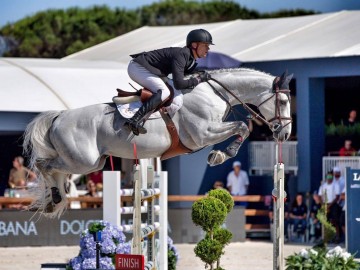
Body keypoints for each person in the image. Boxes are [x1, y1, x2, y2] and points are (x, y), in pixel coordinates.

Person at [124, 29, 214, 135]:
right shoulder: (182, 54)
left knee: (178, 98)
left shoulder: (190, 59)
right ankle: (133, 120)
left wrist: (199, 75)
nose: (208, 48)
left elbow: (182, 78)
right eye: (205, 45)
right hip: (138, 67)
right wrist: (199, 79)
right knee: (164, 91)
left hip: (153, 71)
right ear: (194, 45)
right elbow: (179, 84)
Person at [318, 171, 341, 242]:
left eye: (330, 177)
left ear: (332, 177)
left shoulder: (336, 185)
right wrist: (323, 205)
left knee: (334, 221)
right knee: (326, 222)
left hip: (333, 205)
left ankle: (337, 237)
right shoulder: (323, 186)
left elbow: (337, 197)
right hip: (325, 204)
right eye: (328, 177)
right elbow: (319, 196)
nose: (329, 178)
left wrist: (330, 205)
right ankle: (327, 237)